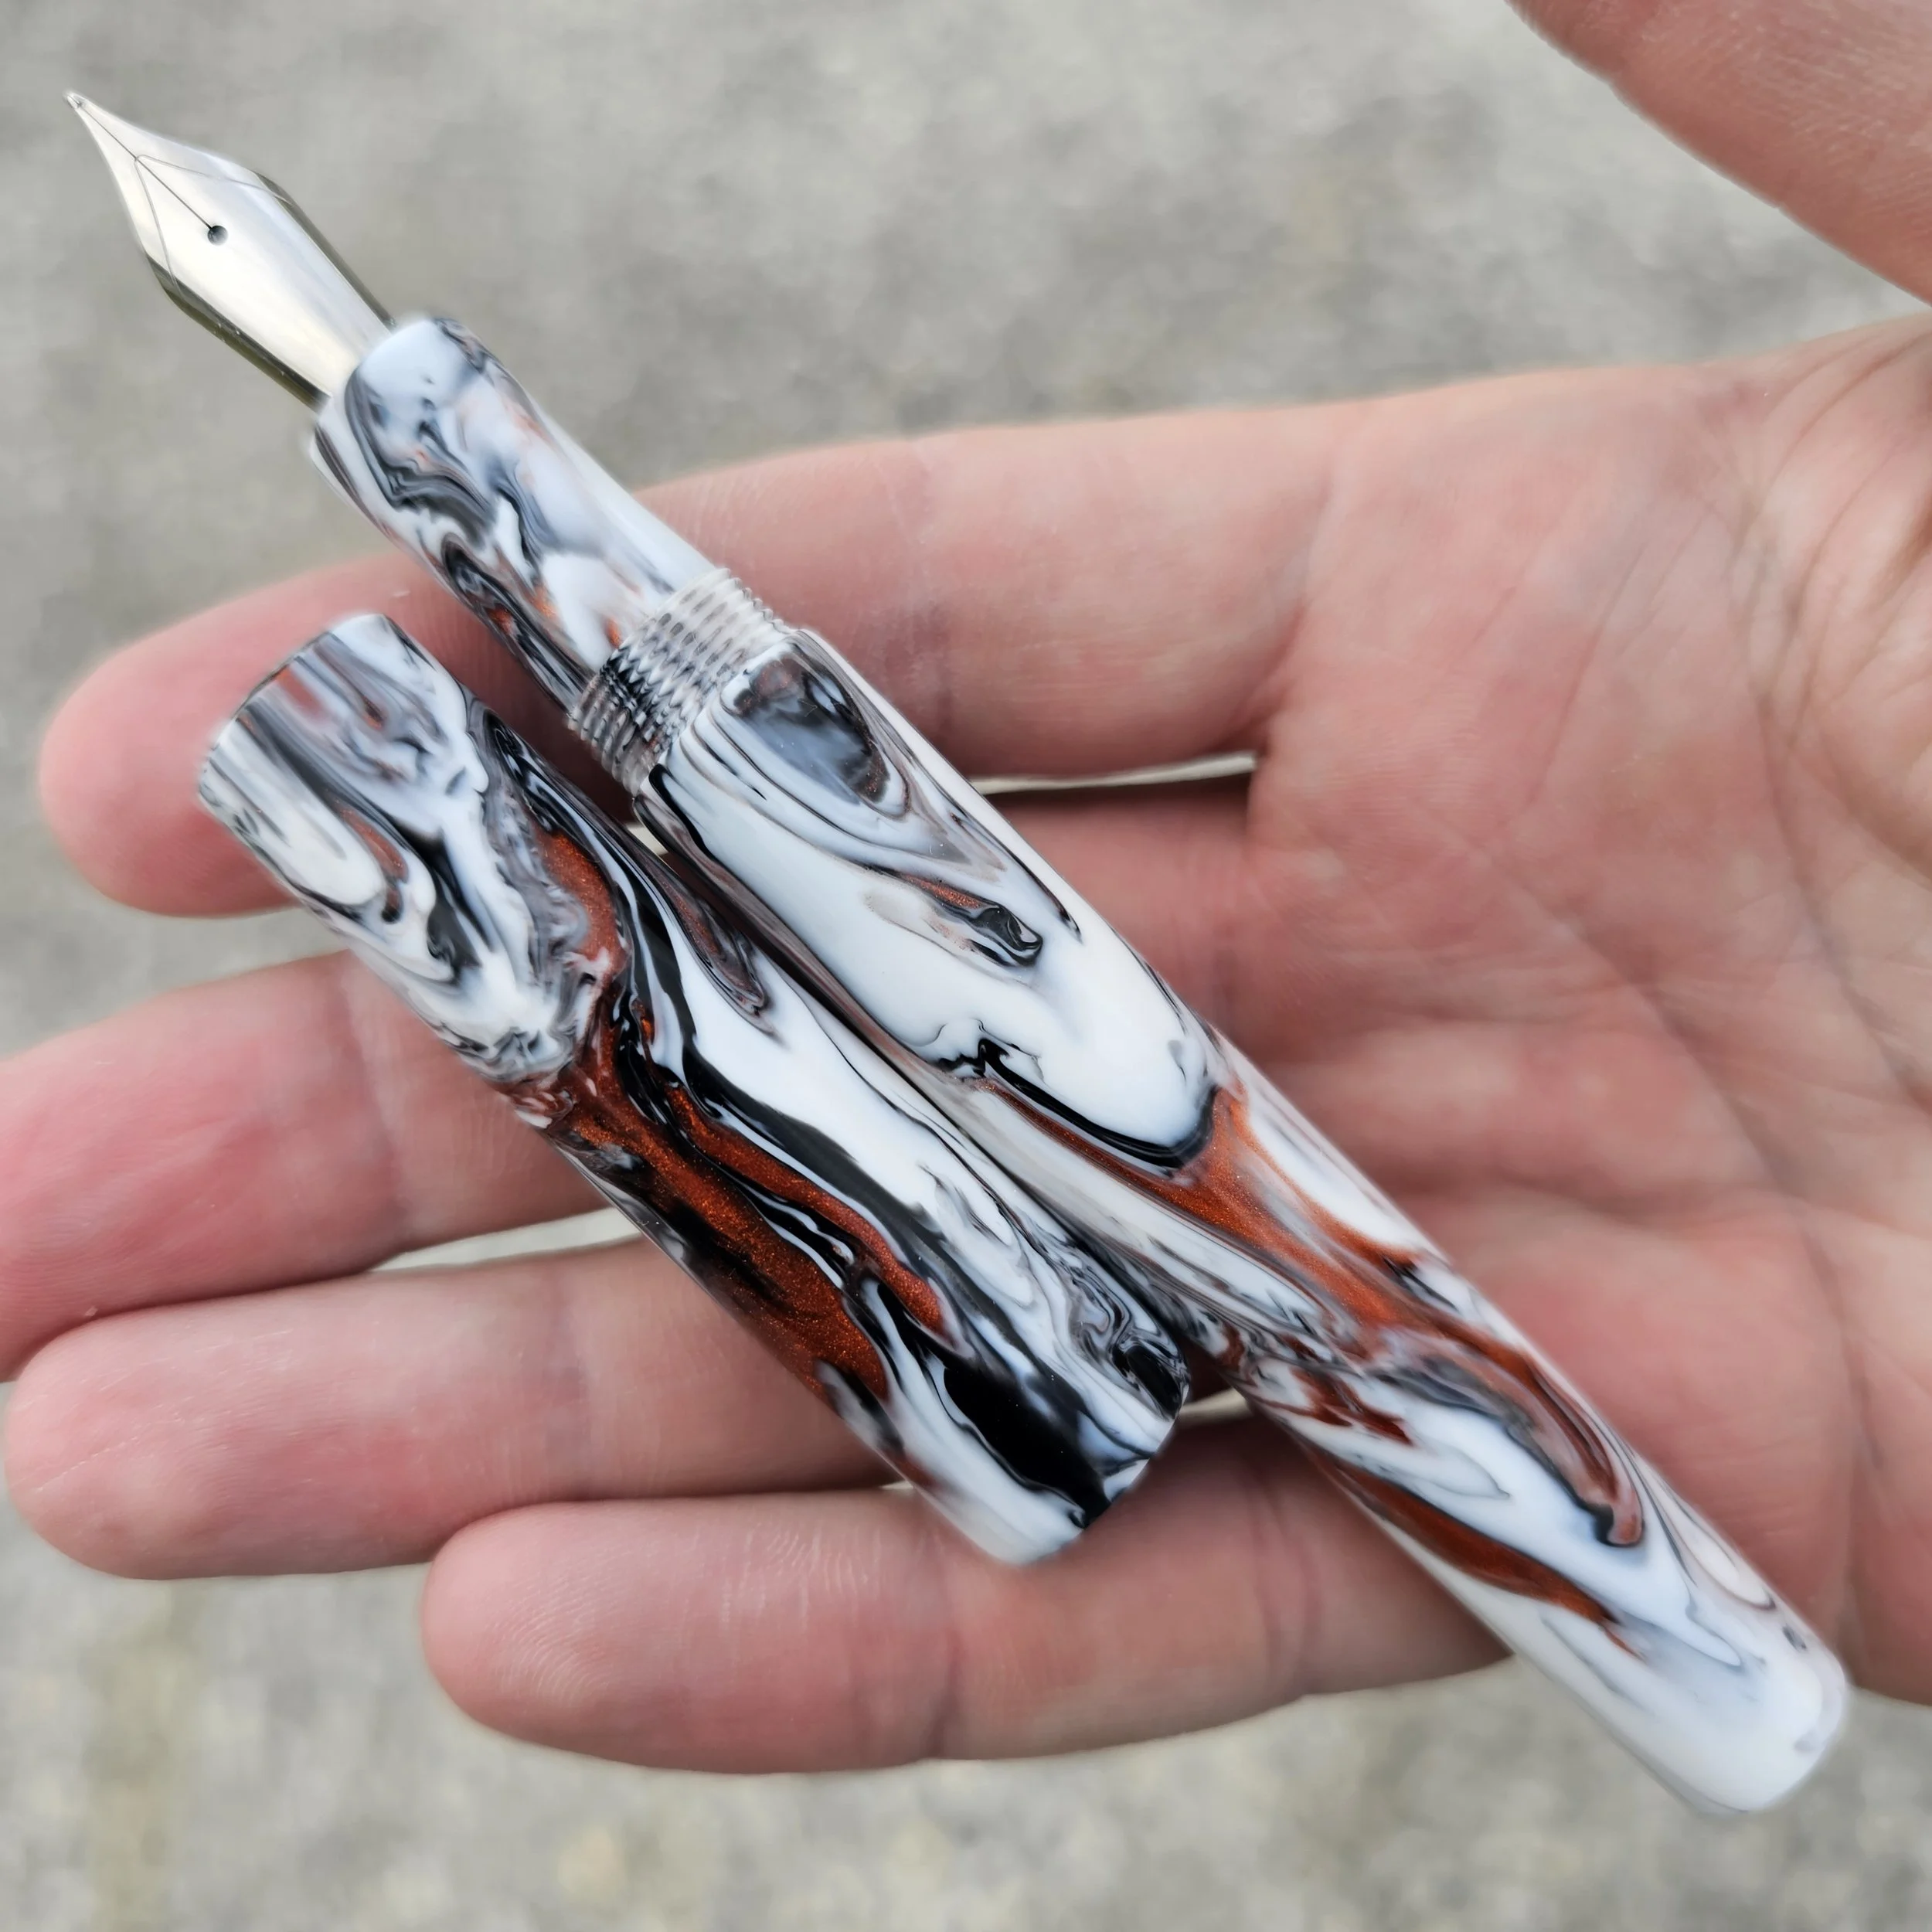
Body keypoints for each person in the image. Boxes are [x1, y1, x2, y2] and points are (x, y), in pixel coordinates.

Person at [8, 0, 1931, 1772]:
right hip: (759, 795)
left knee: (1252, 1238)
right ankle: (1694, 1668)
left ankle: (1691, 1660)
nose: (206, 223)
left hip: (783, 777)